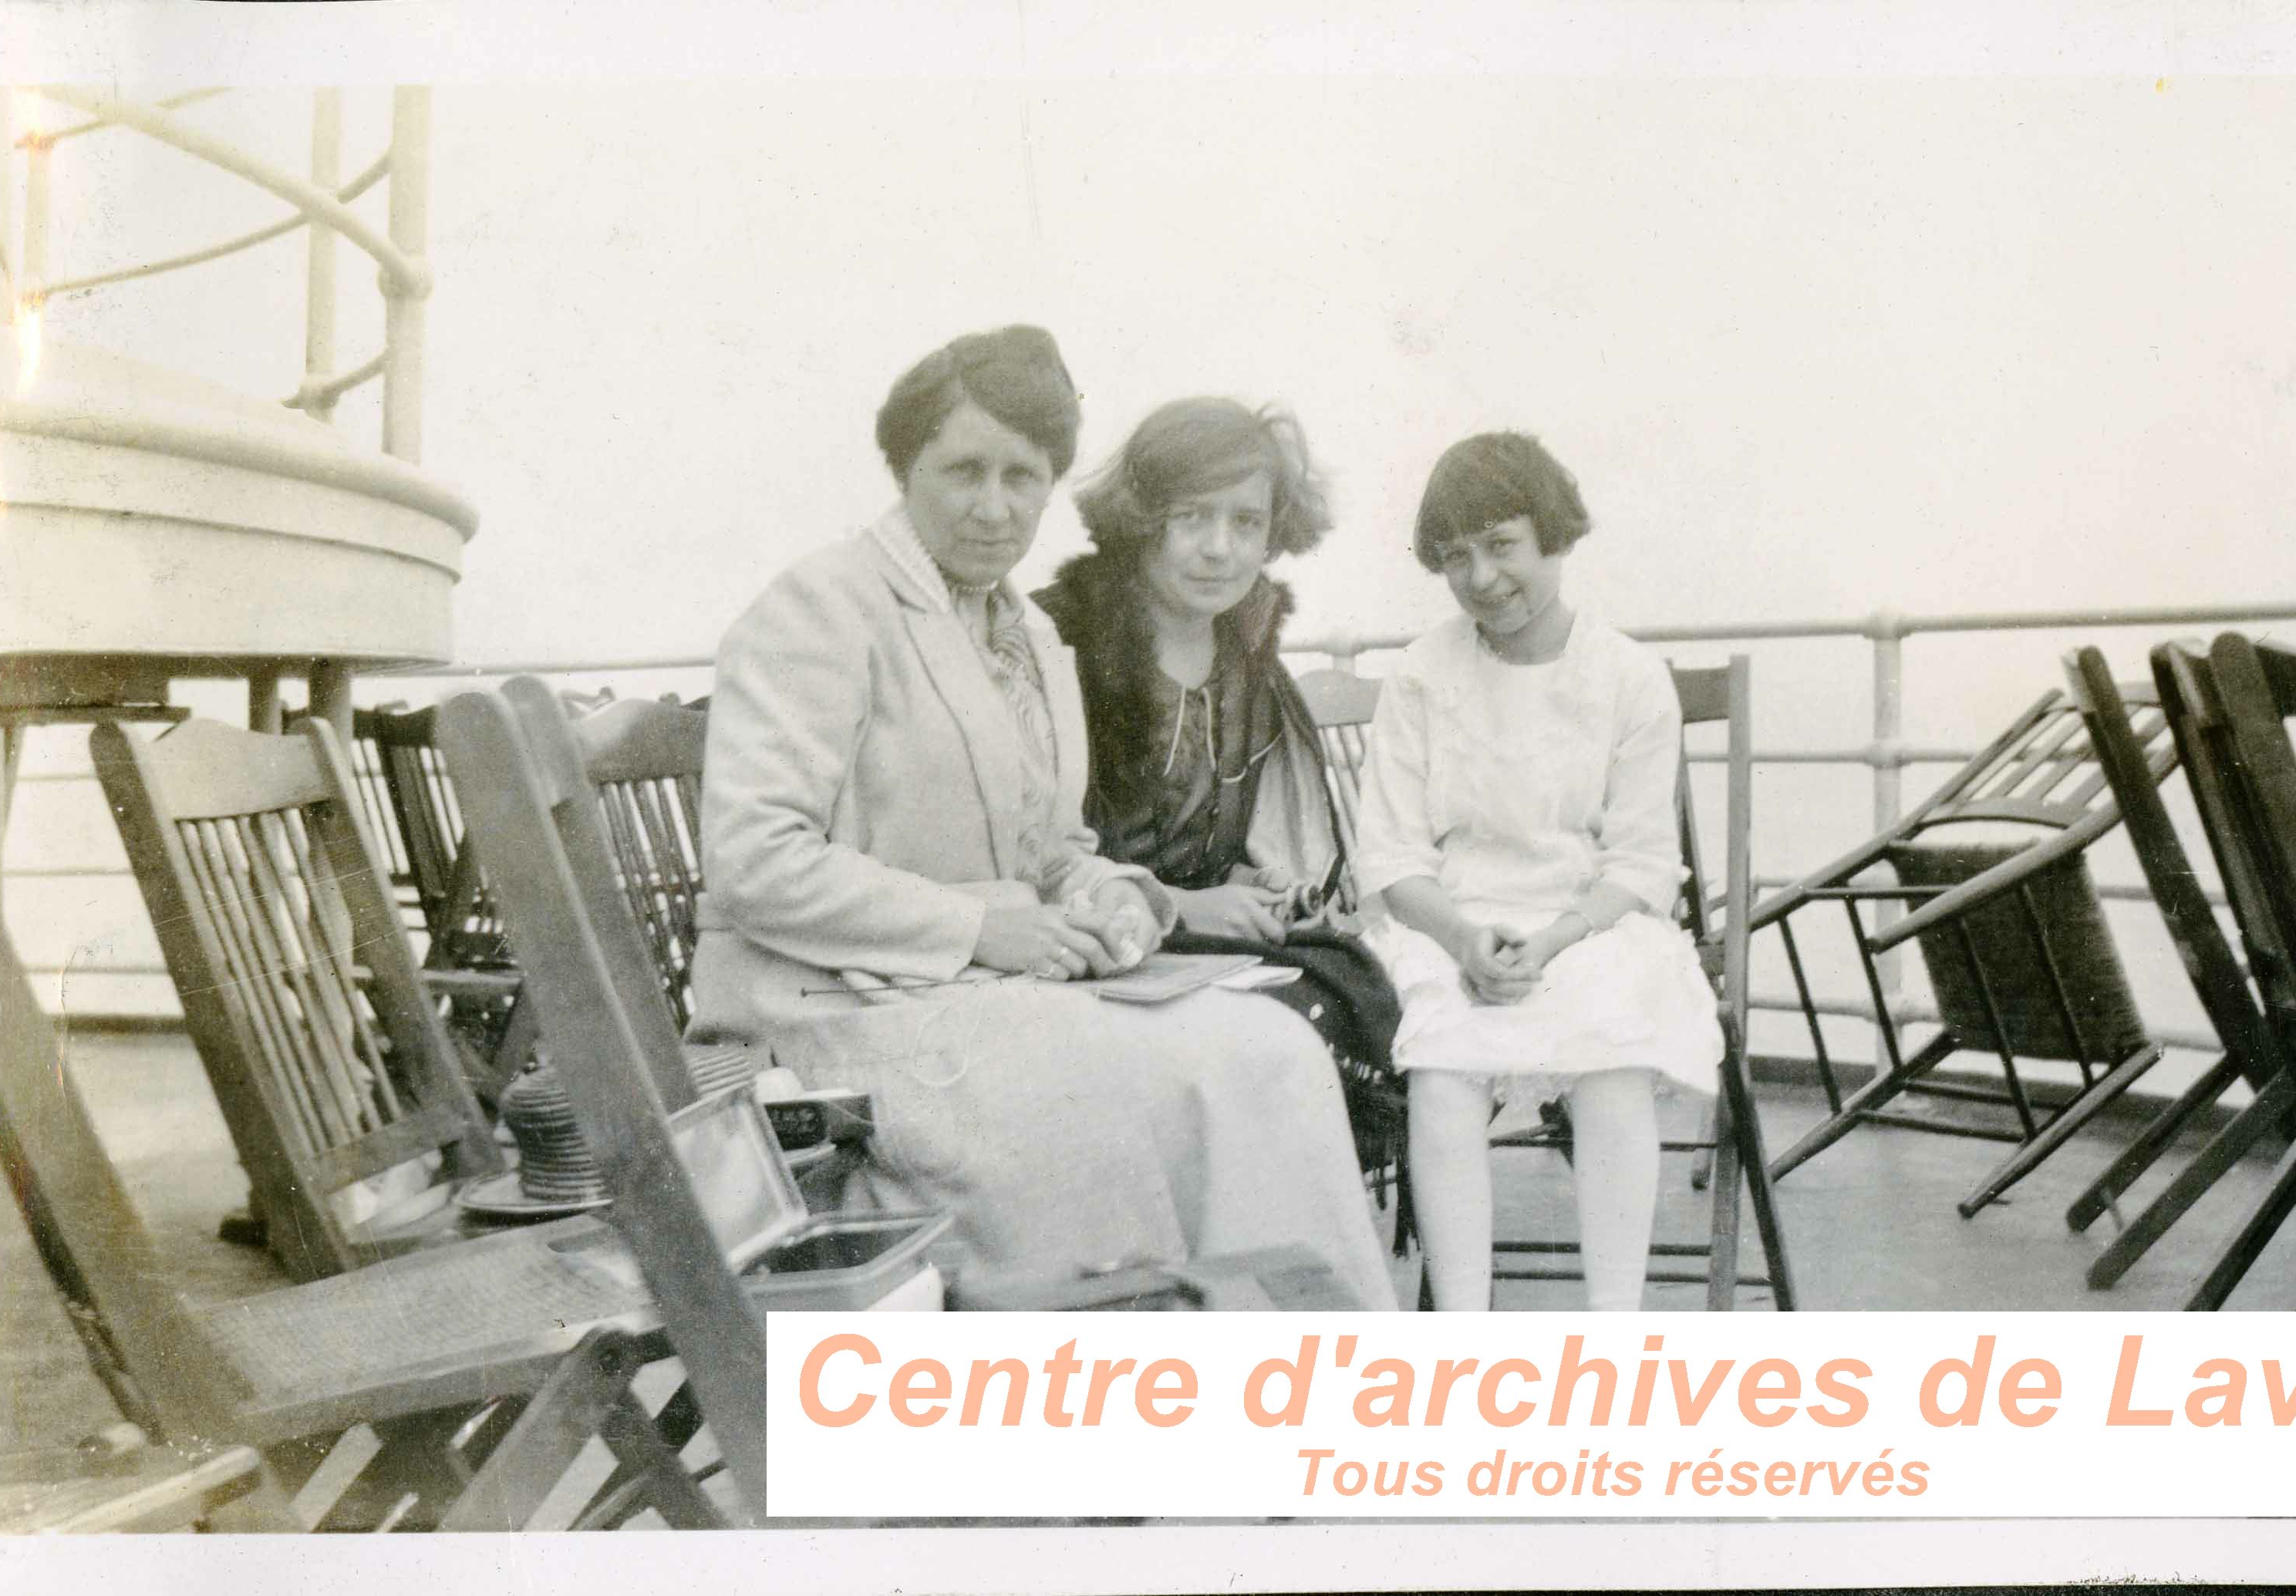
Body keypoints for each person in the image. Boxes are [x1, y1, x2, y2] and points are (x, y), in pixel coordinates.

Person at [684, 327, 1396, 1308]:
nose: (993, 506)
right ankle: (1126, 1370)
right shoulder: (823, 605)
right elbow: (754, 860)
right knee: (1102, 1092)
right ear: (906, 467)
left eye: (1023, 477)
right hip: (825, 1004)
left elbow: (1054, 846)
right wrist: (986, 926)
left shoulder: (1025, 635)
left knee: (1271, 1055)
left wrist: (1116, 899)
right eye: (963, 470)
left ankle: (1310, 1381)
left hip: (973, 991)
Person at [1356, 432, 1722, 1312]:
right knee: (1442, 1072)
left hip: (1590, 922)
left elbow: (1638, 864)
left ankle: (1613, 1331)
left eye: (1502, 545)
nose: (1481, 578)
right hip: (1448, 919)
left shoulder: (1629, 677)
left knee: (1610, 1060)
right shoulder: (1422, 675)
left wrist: (1553, 940)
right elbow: (1392, 854)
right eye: (1456, 557)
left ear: (1553, 535)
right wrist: (1463, 937)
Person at [1033, 396, 1406, 1194]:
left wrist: (1245, 878)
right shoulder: (1061, 642)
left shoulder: (1246, 655)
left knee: (1360, 993)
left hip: (1191, 958)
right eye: (1191, 517)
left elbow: (1226, 833)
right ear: (1141, 518)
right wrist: (1182, 906)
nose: (1219, 549)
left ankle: (1278, 1265)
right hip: (1074, 954)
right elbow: (1021, 847)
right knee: (1292, 1031)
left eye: (1246, 523)